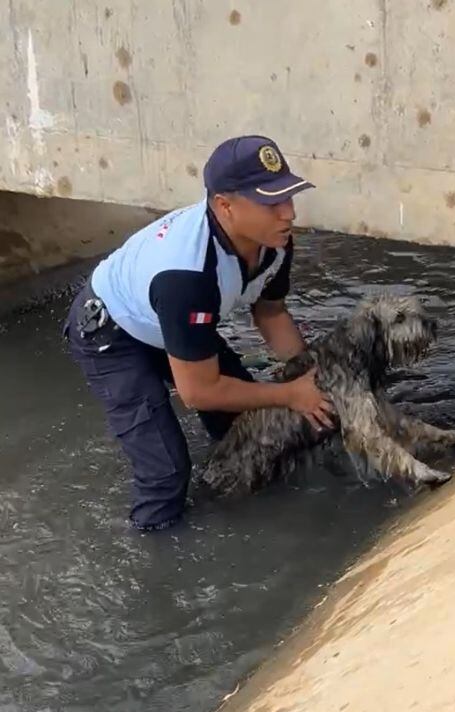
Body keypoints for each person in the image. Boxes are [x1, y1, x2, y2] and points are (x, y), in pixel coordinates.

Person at [62, 135, 335, 532]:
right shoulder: (187, 275)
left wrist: (310, 378)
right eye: (271, 202)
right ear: (225, 205)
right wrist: (289, 395)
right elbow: (198, 393)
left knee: (251, 428)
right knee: (166, 473)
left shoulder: (274, 242)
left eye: (289, 197)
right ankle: (158, 558)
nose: (288, 213)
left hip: (169, 320)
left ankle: (243, 506)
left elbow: (272, 313)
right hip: (113, 335)